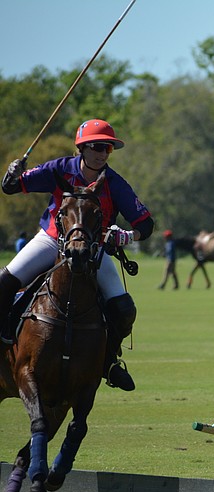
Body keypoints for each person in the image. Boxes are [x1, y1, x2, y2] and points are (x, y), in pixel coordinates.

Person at [1, 118, 154, 391]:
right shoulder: (59, 169)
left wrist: (128, 236)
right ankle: (4, 340)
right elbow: (12, 187)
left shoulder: (115, 183)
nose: (102, 153)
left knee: (123, 309)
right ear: (82, 148)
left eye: (108, 149)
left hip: (93, 251)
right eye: (96, 147)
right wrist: (12, 172)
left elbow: (145, 224)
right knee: (4, 282)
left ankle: (109, 361)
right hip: (52, 240)